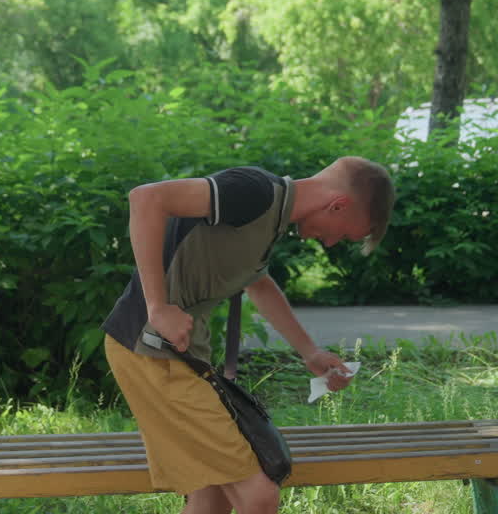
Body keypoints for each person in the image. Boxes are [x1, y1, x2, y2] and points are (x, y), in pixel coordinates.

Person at [101, 156, 396, 514]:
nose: (332, 243)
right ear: (338, 205)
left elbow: (259, 285)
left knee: (212, 496)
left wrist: (310, 353)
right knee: (257, 494)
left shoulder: (270, 221)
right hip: (149, 350)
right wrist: (158, 307)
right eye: (344, 234)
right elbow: (147, 198)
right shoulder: (255, 191)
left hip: (180, 356)